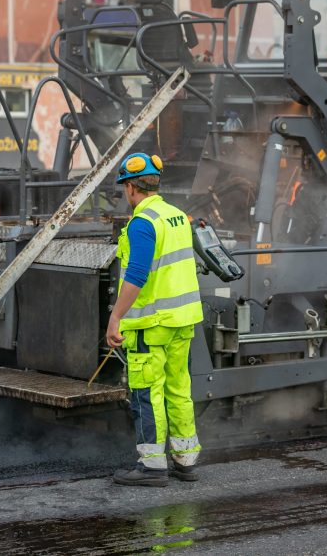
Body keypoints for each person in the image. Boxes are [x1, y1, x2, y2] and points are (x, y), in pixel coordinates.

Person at [106, 152, 204, 487]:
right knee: (179, 387)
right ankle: (185, 460)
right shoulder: (177, 216)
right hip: (183, 320)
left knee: (148, 392)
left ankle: (152, 465)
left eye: (125, 188)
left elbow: (137, 274)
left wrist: (115, 316)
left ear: (132, 187)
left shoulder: (143, 223)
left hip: (152, 324)